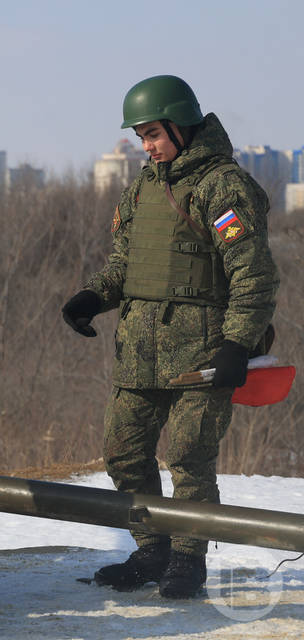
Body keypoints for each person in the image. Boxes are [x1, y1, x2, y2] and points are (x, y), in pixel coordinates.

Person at [62, 75, 279, 599]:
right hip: (139, 352)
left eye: (153, 133)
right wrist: (92, 296)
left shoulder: (223, 187)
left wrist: (235, 345)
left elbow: (253, 275)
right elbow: (125, 264)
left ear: (182, 127)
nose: (147, 145)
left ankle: (187, 558)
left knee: (187, 456)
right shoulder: (142, 186)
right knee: (123, 453)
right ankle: (151, 547)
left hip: (204, 355)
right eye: (140, 136)